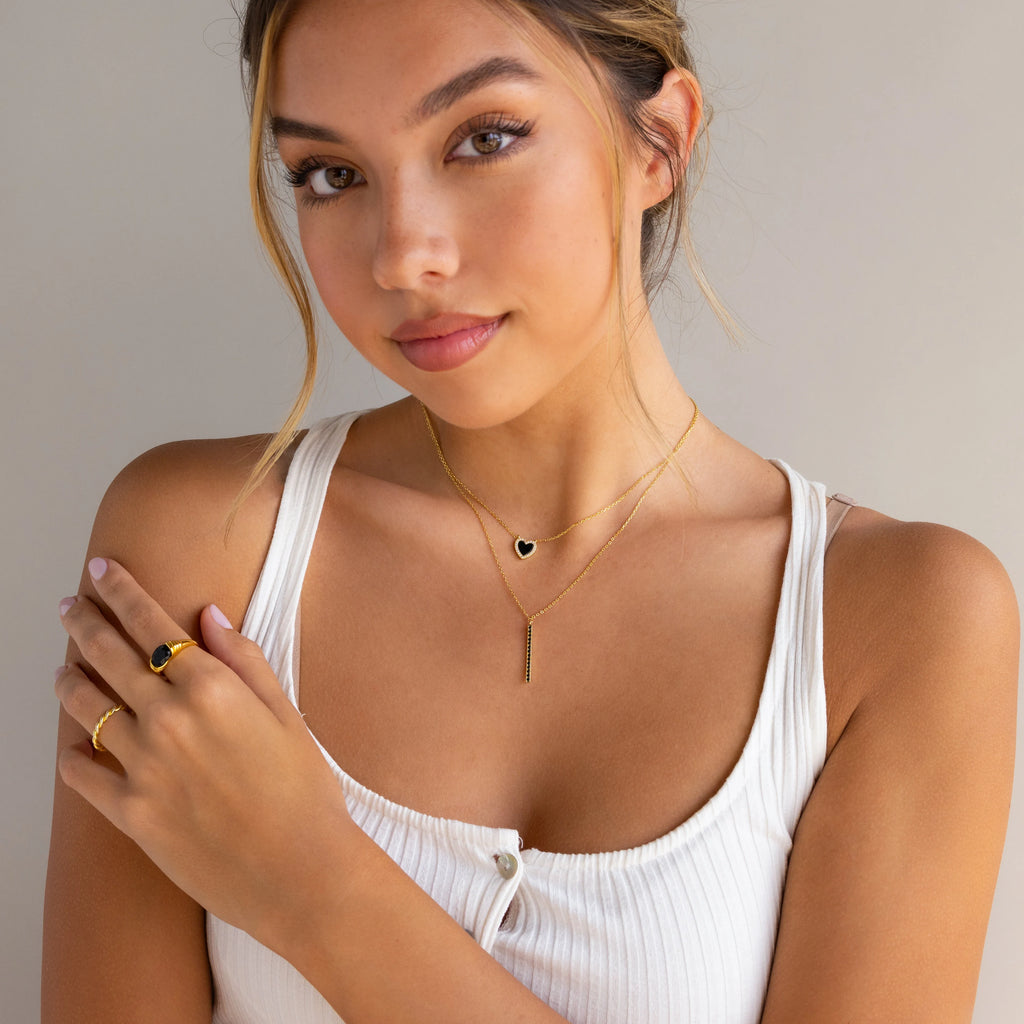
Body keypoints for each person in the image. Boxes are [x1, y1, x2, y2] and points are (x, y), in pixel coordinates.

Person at [42, 0, 1018, 1021]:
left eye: (483, 139)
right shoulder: (207, 546)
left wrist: (311, 884)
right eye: (331, 173)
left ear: (659, 141)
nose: (400, 256)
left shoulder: (894, 623)